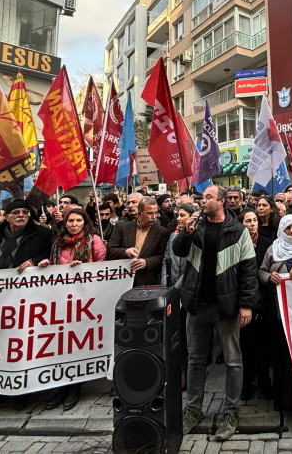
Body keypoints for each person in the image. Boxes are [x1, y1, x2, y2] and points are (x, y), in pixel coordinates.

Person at [172, 185, 258, 441]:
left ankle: (231, 411)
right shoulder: (195, 227)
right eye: (202, 197)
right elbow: (178, 251)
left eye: (208, 197)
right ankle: (194, 409)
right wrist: (186, 234)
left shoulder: (238, 231)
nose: (202, 200)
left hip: (227, 308)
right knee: (196, 359)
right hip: (198, 305)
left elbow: (249, 271)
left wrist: (246, 304)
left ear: (220, 202)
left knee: (233, 360)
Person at [36, 208, 106, 410]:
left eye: (77, 220)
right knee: (61, 344)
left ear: (85, 222)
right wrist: (46, 265)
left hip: (85, 299)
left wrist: (84, 268)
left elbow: (102, 266)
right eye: (70, 221)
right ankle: (60, 388)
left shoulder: (94, 240)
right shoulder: (58, 242)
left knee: (78, 344)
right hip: (60, 298)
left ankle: (75, 387)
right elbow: (54, 262)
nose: (73, 224)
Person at [258, 215, 292, 411]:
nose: (291, 231)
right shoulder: (273, 249)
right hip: (279, 314)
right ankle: (284, 400)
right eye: (287, 228)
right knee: (283, 356)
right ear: (281, 229)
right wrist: (268, 277)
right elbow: (261, 271)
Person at [237, 209, 273, 400]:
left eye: (255, 220)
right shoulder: (236, 243)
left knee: (263, 346)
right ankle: (246, 383)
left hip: (263, 302)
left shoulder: (266, 243)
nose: (253, 224)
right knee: (245, 346)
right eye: (248, 220)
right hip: (244, 302)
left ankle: (264, 381)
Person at [162, 203, 196, 391]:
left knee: (186, 336)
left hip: (186, 292)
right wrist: (165, 288)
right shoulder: (173, 236)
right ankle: (175, 369)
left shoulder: (195, 236)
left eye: (183, 215)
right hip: (172, 292)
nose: (179, 218)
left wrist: (176, 289)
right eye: (178, 215)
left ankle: (186, 372)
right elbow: (167, 261)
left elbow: (192, 266)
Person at [106, 196, 169, 287]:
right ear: (139, 213)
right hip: (123, 280)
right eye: (150, 213)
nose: (154, 217)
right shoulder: (122, 227)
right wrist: (125, 252)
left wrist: (147, 262)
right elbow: (110, 250)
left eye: (156, 213)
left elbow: (162, 257)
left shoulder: (162, 232)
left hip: (147, 282)